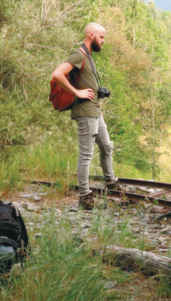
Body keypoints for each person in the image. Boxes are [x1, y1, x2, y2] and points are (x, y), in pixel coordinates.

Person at [51, 22, 118, 209]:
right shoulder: (78, 55)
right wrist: (76, 92)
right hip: (85, 114)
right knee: (86, 155)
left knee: (107, 147)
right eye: (101, 37)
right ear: (91, 36)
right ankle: (85, 197)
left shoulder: (88, 56)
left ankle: (111, 182)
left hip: (95, 112)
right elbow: (57, 74)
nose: (103, 41)